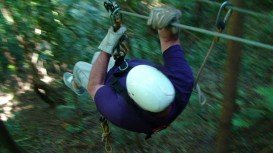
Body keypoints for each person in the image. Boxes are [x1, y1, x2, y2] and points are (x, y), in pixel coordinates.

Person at [63, 7, 194, 137]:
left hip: (107, 85)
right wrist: (167, 25)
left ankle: (76, 85)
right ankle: (95, 65)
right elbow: (169, 40)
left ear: (133, 97)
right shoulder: (182, 82)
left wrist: (108, 43)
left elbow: (94, 86)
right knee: (97, 56)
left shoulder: (120, 113)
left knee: (79, 67)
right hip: (119, 70)